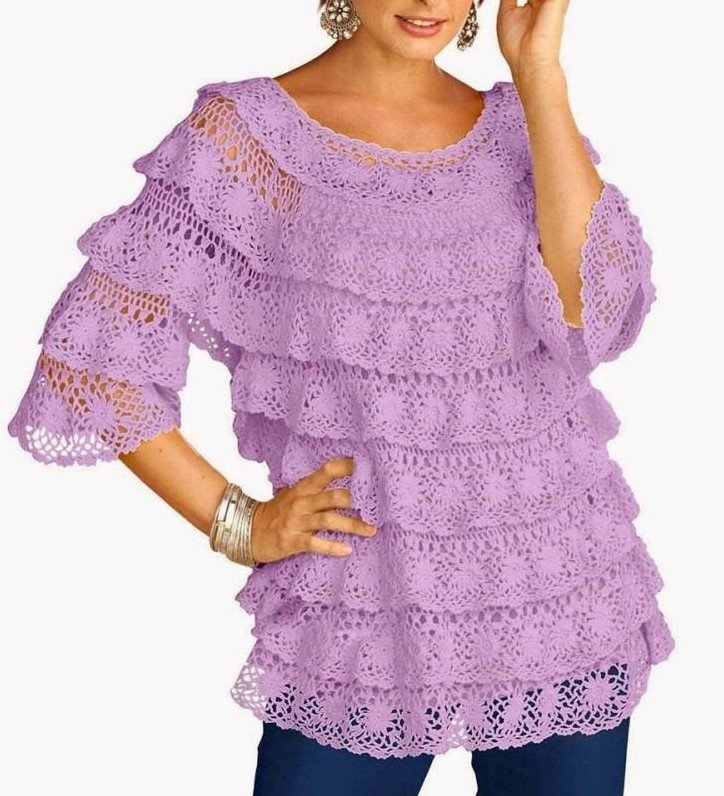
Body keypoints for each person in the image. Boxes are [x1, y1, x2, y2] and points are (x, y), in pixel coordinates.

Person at [7, 1, 675, 793]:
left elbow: (597, 319)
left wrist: (539, 76)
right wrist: (240, 523)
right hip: (359, 614)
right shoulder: (248, 141)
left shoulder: (521, 128)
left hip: (558, 592)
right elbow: (92, 362)